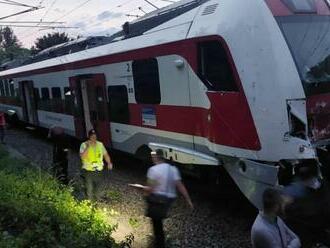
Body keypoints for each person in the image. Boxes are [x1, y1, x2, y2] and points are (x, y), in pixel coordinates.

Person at [145, 149, 193, 248]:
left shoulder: (153, 170)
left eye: (153, 157)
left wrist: (142, 190)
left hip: (158, 200)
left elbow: (150, 188)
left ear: (155, 157)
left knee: (156, 221)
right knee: (159, 219)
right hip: (170, 199)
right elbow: (180, 186)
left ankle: (159, 243)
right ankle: (160, 238)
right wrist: (188, 199)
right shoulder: (173, 169)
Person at [80, 129, 113, 201]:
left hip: (98, 171)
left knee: (98, 189)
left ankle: (95, 203)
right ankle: (89, 205)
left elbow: (106, 155)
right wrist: (87, 147)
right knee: (89, 189)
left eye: (95, 136)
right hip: (88, 171)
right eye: (92, 136)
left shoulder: (100, 144)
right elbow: (82, 157)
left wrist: (109, 163)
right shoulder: (84, 145)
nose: (93, 138)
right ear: (89, 137)